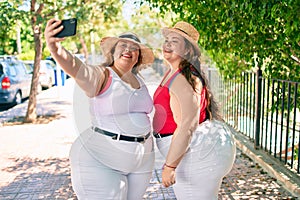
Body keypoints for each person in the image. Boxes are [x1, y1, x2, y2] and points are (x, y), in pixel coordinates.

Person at [44, 18, 155, 199]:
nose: (128, 50)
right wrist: (56, 49)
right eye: (123, 45)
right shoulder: (102, 75)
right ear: (113, 52)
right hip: (101, 161)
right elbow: (78, 68)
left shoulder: (139, 80)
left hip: (141, 162)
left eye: (134, 48)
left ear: (139, 57)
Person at [152, 21, 236, 199]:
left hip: (191, 156)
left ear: (187, 50)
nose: (167, 44)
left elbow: (187, 125)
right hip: (190, 154)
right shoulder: (177, 73)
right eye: (166, 40)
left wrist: (170, 166)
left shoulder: (183, 78)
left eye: (174, 41)